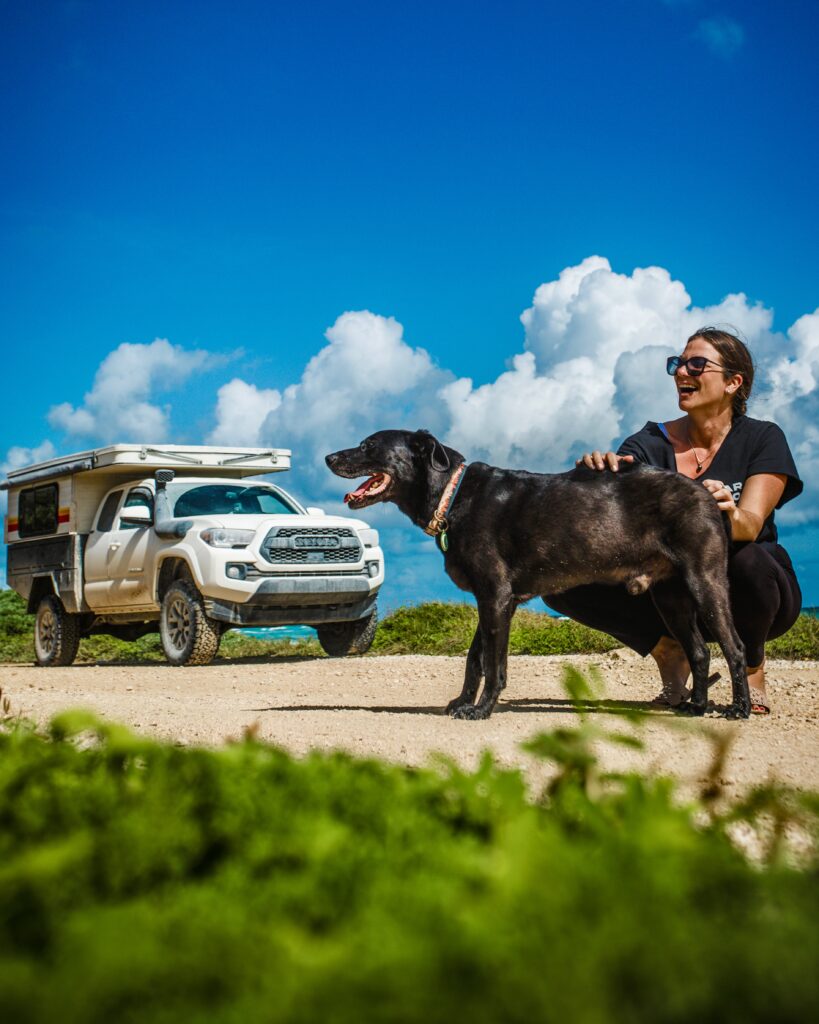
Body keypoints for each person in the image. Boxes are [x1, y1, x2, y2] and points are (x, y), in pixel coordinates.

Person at [545, 327, 803, 714]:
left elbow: (750, 523)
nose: (682, 373)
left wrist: (724, 514)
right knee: (557, 573)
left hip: (751, 589)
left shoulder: (763, 438)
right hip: (668, 591)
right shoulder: (647, 444)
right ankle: (668, 648)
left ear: (734, 382)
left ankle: (751, 666)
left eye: (697, 364)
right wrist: (596, 480)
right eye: (678, 364)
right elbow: (618, 530)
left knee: (747, 558)